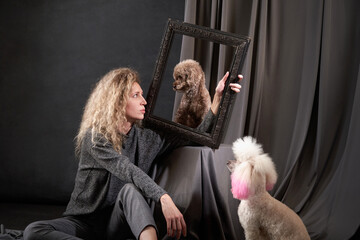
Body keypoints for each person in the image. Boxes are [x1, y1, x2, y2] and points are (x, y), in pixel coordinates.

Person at [23, 68, 242, 240]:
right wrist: (163, 197)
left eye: (142, 95)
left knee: (129, 190)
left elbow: (196, 136)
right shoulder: (95, 137)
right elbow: (126, 169)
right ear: (117, 101)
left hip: (117, 224)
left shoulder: (149, 137)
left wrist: (217, 98)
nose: (144, 101)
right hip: (82, 224)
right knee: (34, 231)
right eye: (135, 95)